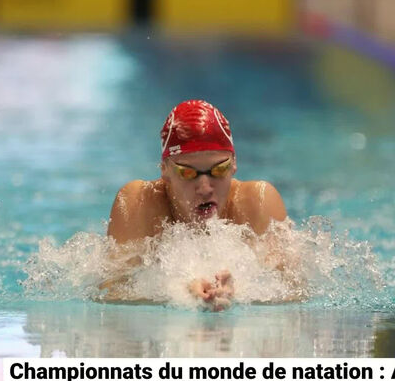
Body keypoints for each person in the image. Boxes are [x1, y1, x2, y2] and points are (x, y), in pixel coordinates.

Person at [102, 100, 288, 310]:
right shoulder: (139, 202)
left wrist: (241, 293)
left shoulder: (257, 202)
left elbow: (293, 293)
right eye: (187, 173)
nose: (205, 188)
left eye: (219, 170)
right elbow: (112, 296)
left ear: (234, 163)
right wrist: (180, 292)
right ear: (165, 170)